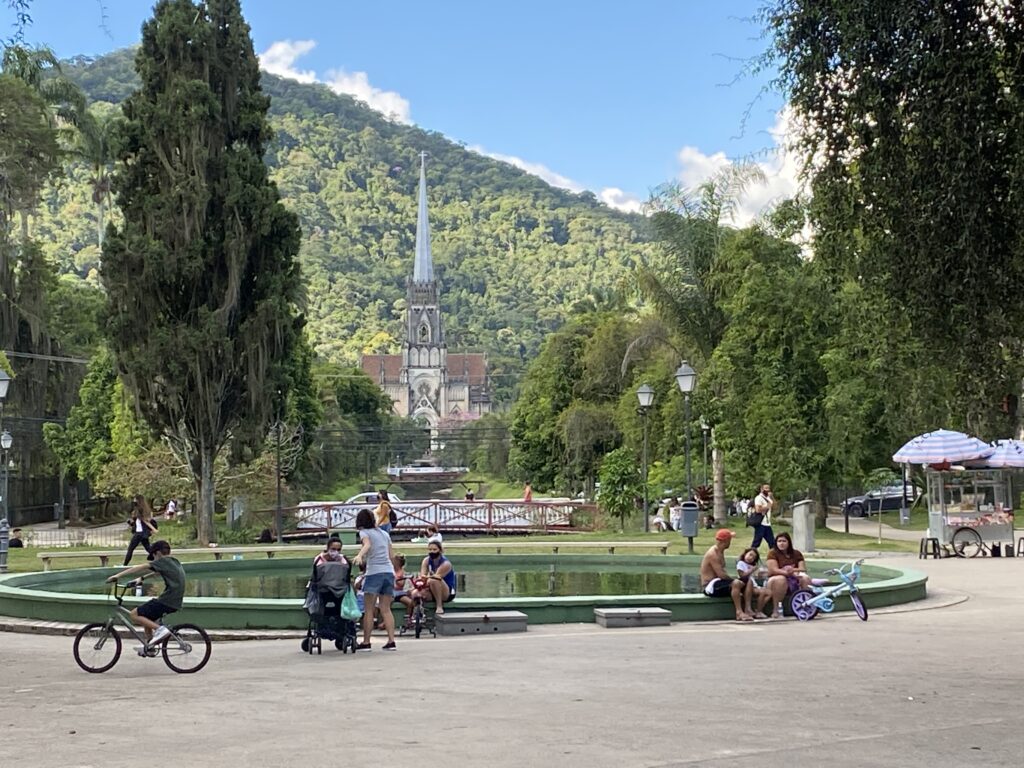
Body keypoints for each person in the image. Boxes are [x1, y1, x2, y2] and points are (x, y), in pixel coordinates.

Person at [105, 539, 184, 653]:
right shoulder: (173, 561)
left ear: (157, 553)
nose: (154, 559)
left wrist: (117, 576)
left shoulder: (163, 560)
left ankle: (160, 630)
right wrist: (142, 578)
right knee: (146, 616)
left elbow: (141, 567)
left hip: (168, 600)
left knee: (134, 614)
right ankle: (150, 647)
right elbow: (158, 572)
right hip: (174, 600)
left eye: (153, 556)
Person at [352, 508, 397, 651]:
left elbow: (367, 544)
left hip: (374, 573)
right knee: (386, 609)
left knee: (369, 609)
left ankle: (366, 642)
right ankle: (391, 641)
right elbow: (391, 555)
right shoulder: (384, 534)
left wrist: (360, 556)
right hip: (388, 572)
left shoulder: (364, 532)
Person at [699, 529, 752, 621]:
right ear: (725, 541)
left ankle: (748, 609)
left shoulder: (720, 551)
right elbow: (721, 575)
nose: (730, 542)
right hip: (710, 586)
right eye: (730, 540)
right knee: (735, 583)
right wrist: (734, 580)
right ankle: (739, 612)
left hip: (719, 582)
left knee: (748, 581)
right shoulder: (713, 554)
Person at [765, 532, 812, 618]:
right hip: (776, 578)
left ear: (788, 542)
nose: (781, 543)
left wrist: (793, 570)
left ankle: (808, 606)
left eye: (784, 541)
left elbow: (802, 568)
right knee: (780, 579)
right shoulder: (772, 553)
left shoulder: (796, 553)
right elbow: (773, 570)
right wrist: (788, 573)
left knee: (805, 578)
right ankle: (776, 609)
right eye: (779, 541)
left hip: (794, 576)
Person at [410, 541, 456, 614]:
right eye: (430, 549)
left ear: (440, 550)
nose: (432, 552)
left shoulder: (446, 564)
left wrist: (426, 579)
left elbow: (436, 577)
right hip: (432, 589)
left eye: (434, 550)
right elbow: (422, 576)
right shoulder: (426, 560)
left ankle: (439, 606)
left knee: (434, 580)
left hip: (446, 592)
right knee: (415, 593)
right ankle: (415, 615)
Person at [311, 536, 350, 616]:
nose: (336, 552)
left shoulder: (343, 559)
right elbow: (316, 576)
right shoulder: (319, 559)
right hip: (323, 590)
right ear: (328, 548)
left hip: (340, 590)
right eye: (333, 549)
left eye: (338, 550)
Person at [123, 495, 158, 566]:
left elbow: (145, 521)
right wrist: (131, 523)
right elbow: (140, 522)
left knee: (130, 549)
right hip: (144, 533)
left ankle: (124, 565)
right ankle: (158, 559)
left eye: (135, 500)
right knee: (148, 548)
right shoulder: (144, 509)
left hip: (139, 533)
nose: (134, 501)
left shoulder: (139, 509)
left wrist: (154, 529)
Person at [736, 547, 770, 618]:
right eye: (750, 555)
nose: (751, 558)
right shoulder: (741, 563)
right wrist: (751, 570)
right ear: (745, 554)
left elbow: (757, 577)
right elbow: (742, 575)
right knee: (764, 592)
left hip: (754, 585)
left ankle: (758, 610)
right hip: (746, 586)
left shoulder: (752, 566)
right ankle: (757, 611)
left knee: (769, 593)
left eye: (753, 557)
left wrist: (761, 574)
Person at [750, 483, 776, 550]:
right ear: (762, 489)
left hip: (767, 523)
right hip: (761, 523)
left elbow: (774, 506)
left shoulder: (768, 498)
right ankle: (749, 555)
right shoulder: (759, 498)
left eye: (768, 488)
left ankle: (774, 556)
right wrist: (768, 506)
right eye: (766, 488)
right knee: (757, 542)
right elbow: (758, 510)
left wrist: (772, 498)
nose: (768, 490)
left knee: (772, 542)